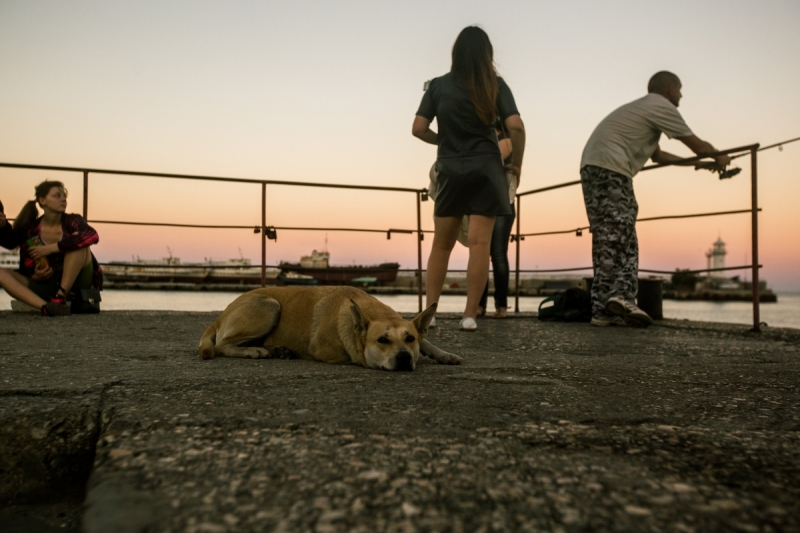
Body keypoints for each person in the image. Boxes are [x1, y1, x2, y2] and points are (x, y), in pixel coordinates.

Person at [580, 71, 731, 327]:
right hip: (613, 170)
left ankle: (602, 311)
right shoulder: (661, 105)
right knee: (625, 236)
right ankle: (623, 296)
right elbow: (698, 144)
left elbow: (659, 157)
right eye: (680, 89)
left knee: (606, 239)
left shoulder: (642, 110)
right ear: (670, 89)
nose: (682, 95)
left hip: (591, 168)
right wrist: (719, 156)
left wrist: (702, 164)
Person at [413, 26, 525, 332]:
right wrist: (516, 164)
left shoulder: (437, 86)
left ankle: (430, 315)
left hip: (450, 166)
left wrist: (446, 141)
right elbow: (515, 126)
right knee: (480, 244)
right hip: (487, 168)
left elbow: (418, 128)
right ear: (487, 54)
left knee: (441, 245)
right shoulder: (495, 85)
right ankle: (469, 316)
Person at [0, 180, 103, 316]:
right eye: (57, 196)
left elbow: (92, 236)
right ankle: (46, 307)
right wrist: (35, 276)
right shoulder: (31, 231)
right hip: (47, 286)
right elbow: (26, 267)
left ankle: (60, 297)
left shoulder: (73, 220)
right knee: (1, 273)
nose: (63, 199)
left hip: (77, 285)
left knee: (79, 241)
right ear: (42, 201)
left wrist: (52, 248)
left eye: (64, 195)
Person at [478, 124, 516, 319]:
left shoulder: (507, 139)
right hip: (482, 202)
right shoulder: (482, 137)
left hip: (503, 204)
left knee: (498, 254)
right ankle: (478, 305)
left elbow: (493, 161)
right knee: (480, 252)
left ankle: (501, 306)